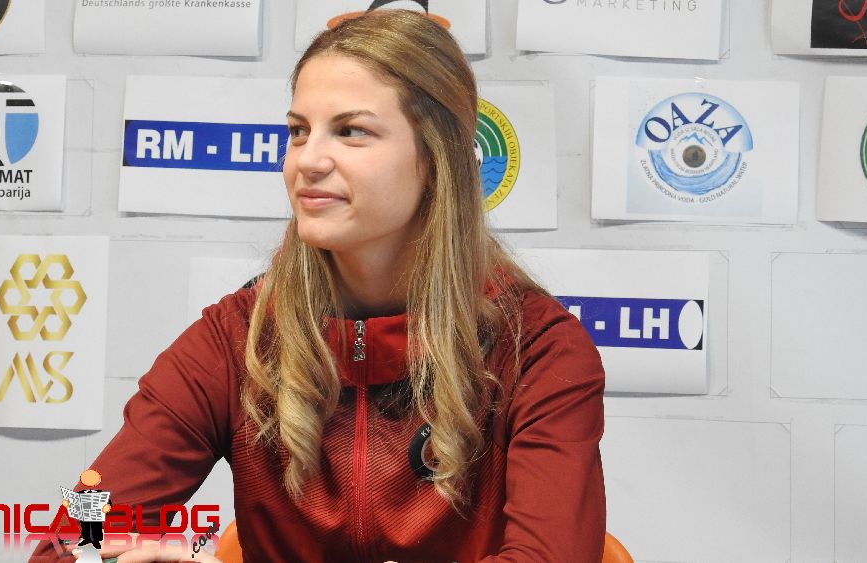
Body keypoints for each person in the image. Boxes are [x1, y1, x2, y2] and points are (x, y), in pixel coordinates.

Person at [33, 9, 605, 563]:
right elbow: (71, 540)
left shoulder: (538, 348)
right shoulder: (235, 337)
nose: (307, 161)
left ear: (437, 159)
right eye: (298, 131)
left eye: (351, 131)